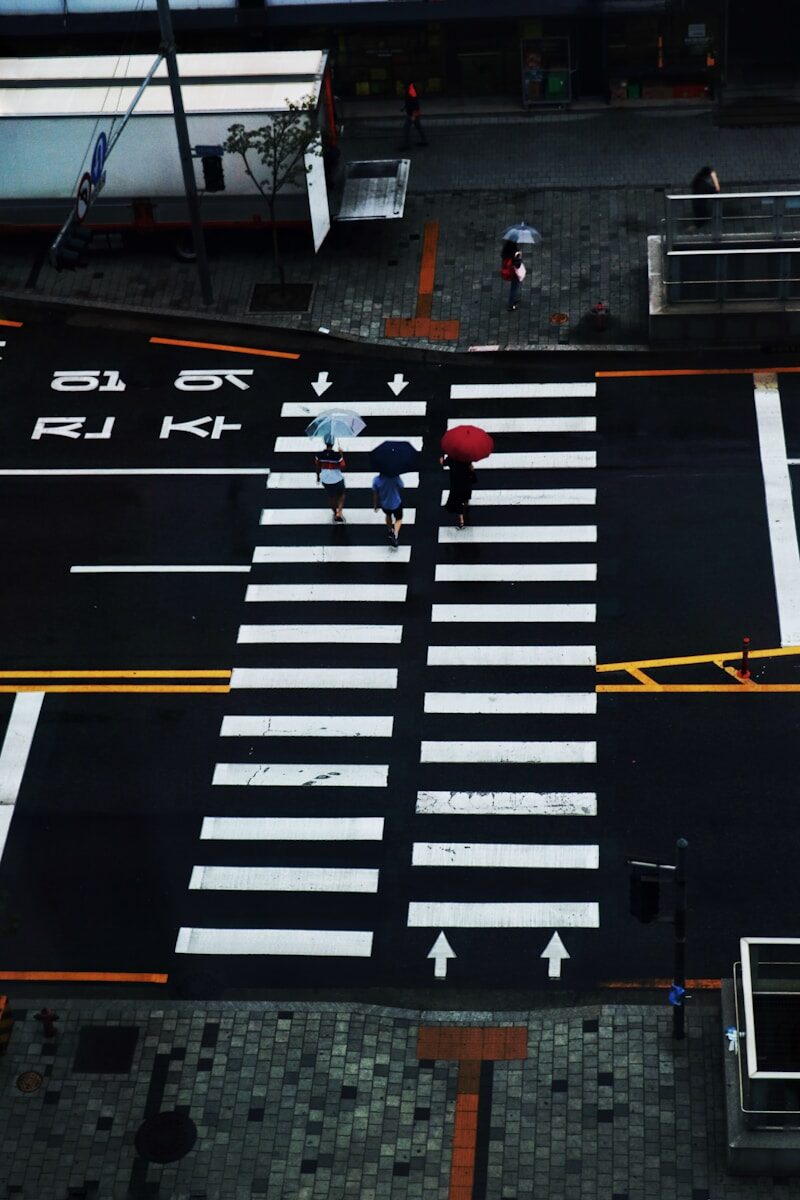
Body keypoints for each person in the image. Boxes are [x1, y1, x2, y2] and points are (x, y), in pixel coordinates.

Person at [440, 454, 476, 529]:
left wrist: (441, 458)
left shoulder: (451, 458)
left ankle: (461, 520)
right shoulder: (466, 456)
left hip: (456, 482)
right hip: (466, 480)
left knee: (457, 500)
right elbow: (470, 467)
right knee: (466, 493)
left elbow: (443, 463)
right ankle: (466, 503)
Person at [315, 439, 346, 522]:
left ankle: (335, 512)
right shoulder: (337, 455)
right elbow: (343, 466)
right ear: (333, 444)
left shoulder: (319, 455)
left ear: (325, 443)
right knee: (342, 494)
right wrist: (341, 455)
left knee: (331, 496)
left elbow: (318, 466)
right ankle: (339, 511)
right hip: (337, 478)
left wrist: (318, 477)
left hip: (325, 479)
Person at [372, 472, 404, 547]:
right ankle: (395, 535)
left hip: (385, 504)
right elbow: (401, 486)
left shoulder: (376, 480)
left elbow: (375, 494)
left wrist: (376, 505)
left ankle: (390, 531)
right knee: (399, 519)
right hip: (396, 503)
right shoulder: (395, 477)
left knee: (388, 515)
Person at [399, 82, 428, 148]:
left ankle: (407, 144)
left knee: (406, 128)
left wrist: (413, 116)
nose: (401, 92)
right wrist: (403, 108)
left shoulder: (411, 94)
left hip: (412, 114)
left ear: (405, 89)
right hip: (413, 114)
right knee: (418, 127)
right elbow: (408, 103)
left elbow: (415, 105)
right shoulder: (408, 94)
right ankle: (424, 140)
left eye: (402, 90)